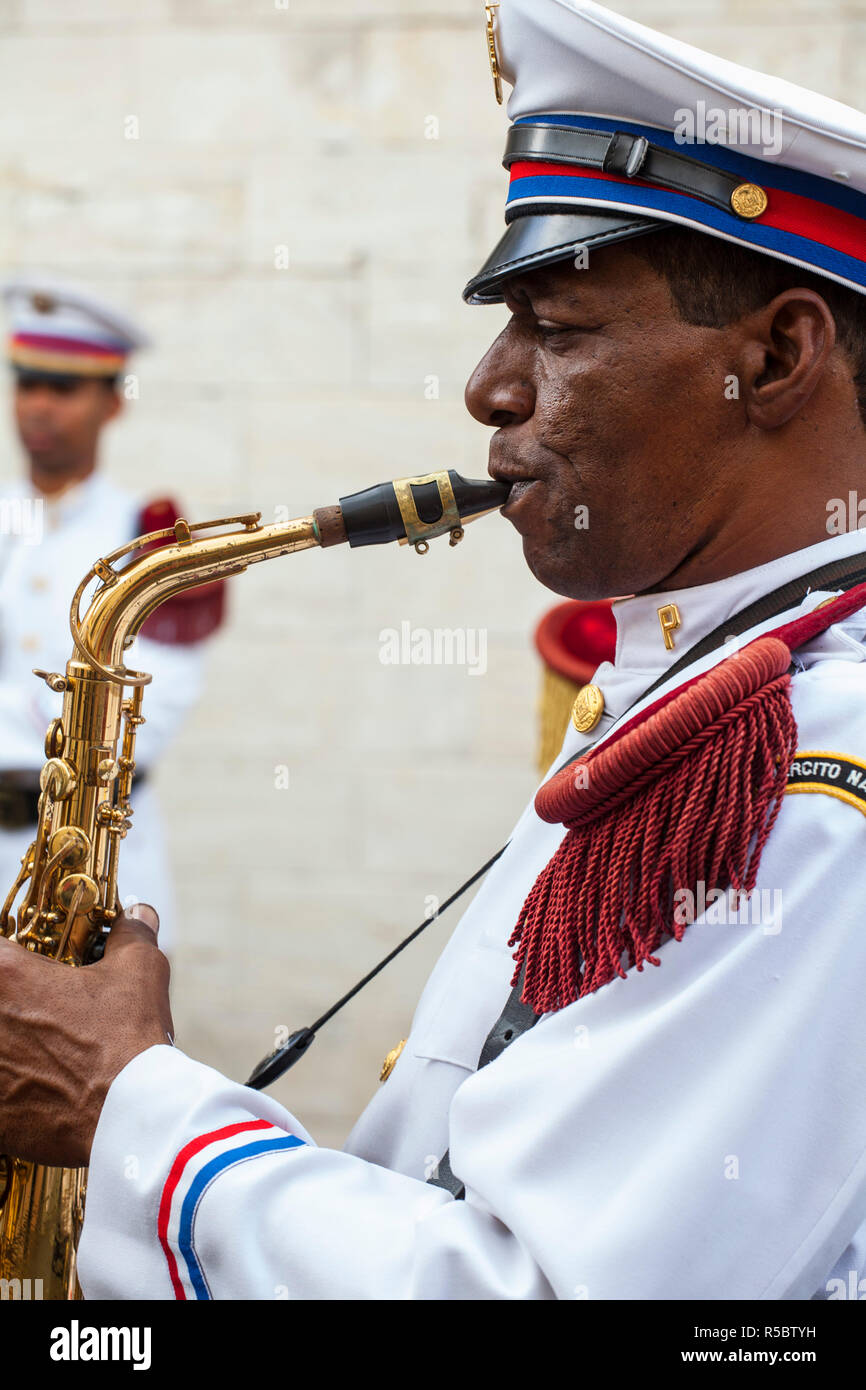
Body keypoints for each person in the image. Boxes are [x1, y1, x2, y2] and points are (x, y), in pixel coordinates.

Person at [1, 0, 866, 1300]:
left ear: (777, 354)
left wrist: (129, 1105)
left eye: (558, 329)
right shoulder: (698, 676)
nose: (486, 385)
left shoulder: (808, 772)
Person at [0, 277, 223, 954]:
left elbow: (143, 722)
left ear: (114, 402)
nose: (38, 404)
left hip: (87, 857)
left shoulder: (150, 535)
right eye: (27, 382)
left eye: (63, 389)